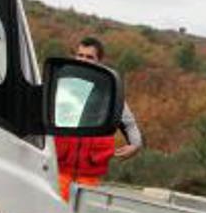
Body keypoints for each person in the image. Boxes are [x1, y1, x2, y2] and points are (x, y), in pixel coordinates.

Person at [55, 35, 143, 201]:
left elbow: (129, 124)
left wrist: (136, 144)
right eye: (80, 55)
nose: (83, 60)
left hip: (90, 176)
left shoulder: (109, 91)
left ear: (99, 62)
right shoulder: (60, 83)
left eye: (89, 57)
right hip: (57, 170)